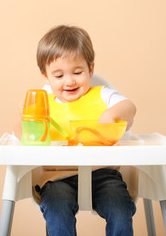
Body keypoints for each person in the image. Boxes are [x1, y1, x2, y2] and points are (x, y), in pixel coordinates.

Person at [13, 25, 137, 236]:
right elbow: (20, 133)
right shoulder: (44, 102)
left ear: (91, 68)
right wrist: (27, 118)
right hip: (58, 177)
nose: (69, 81)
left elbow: (130, 107)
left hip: (103, 174)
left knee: (120, 208)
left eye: (77, 72)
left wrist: (110, 115)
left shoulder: (103, 95)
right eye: (59, 76)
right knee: (57, 209)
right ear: (46, 76)